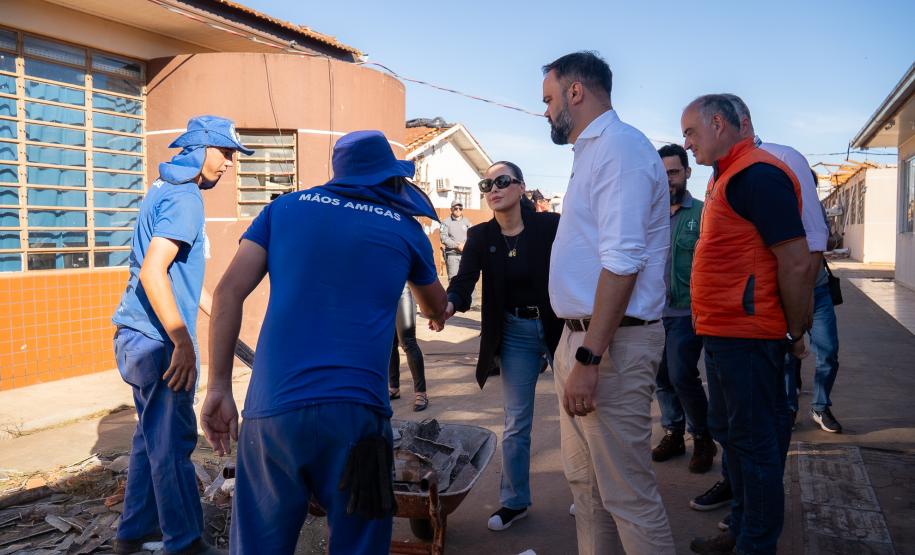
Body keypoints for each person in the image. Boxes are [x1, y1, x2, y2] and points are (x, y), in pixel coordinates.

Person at [201, 130, 448, 555]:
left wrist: (219, 386)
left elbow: (226, 294)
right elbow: (435, 307)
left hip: (274, 412)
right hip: (357, 419)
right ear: (390, 176)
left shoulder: (284, 208)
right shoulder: (407, 230)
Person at [542, 51, 675, 554]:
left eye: (550, 98)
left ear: (576, 92)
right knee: (586, 489)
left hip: (611, 345)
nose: (546, 111)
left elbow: (623, 262)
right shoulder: (592, 152)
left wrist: (590, 358)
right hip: (581, 339)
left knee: (627, 496)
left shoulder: (619, 149)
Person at [110, 115, 252, 555]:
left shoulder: (164, 188)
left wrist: (233, 337)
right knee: (172, 444)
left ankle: (133, 534)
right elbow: (154, 272)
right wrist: (183, 343)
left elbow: (178, 275)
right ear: (202, 149)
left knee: (149, 439)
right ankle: (185, 543)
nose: (230, 164)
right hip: (158, 343)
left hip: (135, 335)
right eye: (226, 153)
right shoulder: (187, 199)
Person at [682, 94, 812, 555]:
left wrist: (796, 333)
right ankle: (740, 527)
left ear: (719, 124)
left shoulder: (758, 174)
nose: (686, 143)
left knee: (754, 445)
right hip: (722, 333)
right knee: (730, 432)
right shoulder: (727, 176)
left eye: (691, 132)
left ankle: (755, 544)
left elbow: (796, 263)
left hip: (748, 335)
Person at [439, 160, 562, 531]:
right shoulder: (480, 237)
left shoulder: (550, 226)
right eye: (486, 184)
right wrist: (447, 305)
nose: (493, 188)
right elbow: (463, 282)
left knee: (580, 415)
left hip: (559, 327)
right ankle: (515, 501)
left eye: (502, 181)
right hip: (514, 332)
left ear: (521, 187)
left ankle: (589, 492)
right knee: (516, 422)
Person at [725, 94, 842, 433]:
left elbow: (816, 242)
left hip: (814, 287)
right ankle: (789, 408)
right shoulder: (741, 177)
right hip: (781, 287)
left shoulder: (785, 162)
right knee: (790, 354)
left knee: (828, 351)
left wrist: (805, 292)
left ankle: (821, 406)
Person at [651, 143, 717, 474]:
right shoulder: (649, 214)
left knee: (680, 374)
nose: (667, 181)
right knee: (661, 377)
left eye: (674, 172)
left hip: (687, 312)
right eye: (661, 174)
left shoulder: (703, 214)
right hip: (652, 312)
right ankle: (673, 432)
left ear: (687, 172)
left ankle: (703, 437)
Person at [389, 285, 429, 411]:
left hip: (403, 291)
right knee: (389, 344)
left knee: (408, 342)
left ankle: (421, 392)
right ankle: (394, 388)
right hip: (382, 294)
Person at [440, 199, 472, 279]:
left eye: (460, 208)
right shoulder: (445, 222)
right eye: (455, 208)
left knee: (468, 279)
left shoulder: (467, 221)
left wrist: (466, 245)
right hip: (452, 256)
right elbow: (443, 238)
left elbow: (472, 236)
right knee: (454, 280)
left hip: (466, 255)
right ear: (451, 209)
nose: (458, 210)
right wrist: (457, 245)